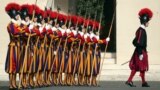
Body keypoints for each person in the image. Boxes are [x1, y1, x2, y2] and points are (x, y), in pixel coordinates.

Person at [126, 8, 153, 87]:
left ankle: (142, 82)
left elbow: (134, 41)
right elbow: (138, 42)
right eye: (148, 22)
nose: (148, 23)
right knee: (139, 66)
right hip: (140, 51)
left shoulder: (140, 30)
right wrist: (140, 52)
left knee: (141, 67)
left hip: (140, 50)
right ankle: (130, 80)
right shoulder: (141, 30)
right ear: (145, 22)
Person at [5, 3, 21, 89]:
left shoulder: (17, 25)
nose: (19, 16)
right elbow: (15, 34)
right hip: (13, 47)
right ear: (14, 15)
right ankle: (11, 84)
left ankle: (14, 83)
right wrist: (22, 32)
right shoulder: (10, 25)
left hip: (17, 47)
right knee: (12, 67)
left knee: (16, 67)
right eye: (17, 14)